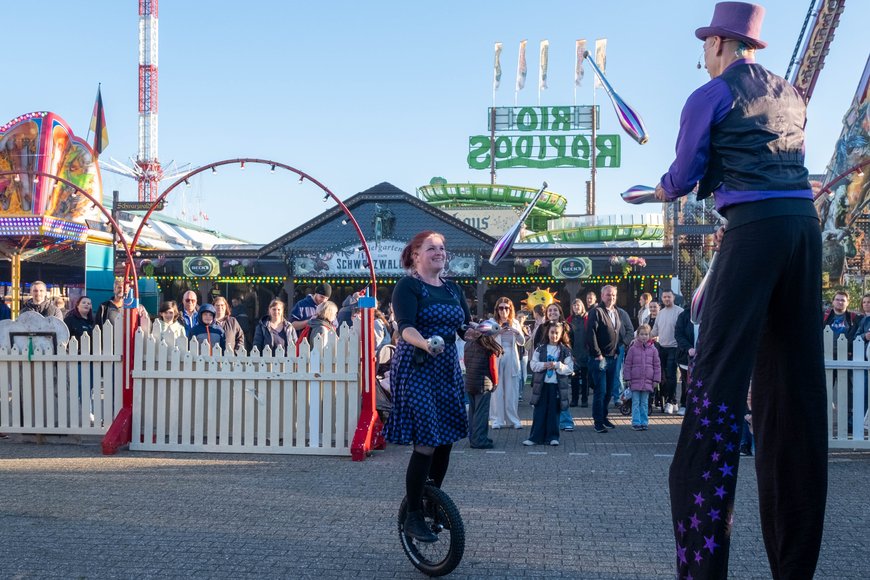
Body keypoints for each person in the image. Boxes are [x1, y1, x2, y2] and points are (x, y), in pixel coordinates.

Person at [654, 3, 827, 577]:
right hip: (804, 234)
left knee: (716, 389)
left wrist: (656, 192)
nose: (702, 53)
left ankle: (703, 565)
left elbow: (684, 176)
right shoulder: (795, 92)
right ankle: (795, 567)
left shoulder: (710, 95)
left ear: (723, 43)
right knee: (795, 398)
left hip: (752, 233)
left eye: (706, 42)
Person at [382, 231, 476, 543]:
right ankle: (413, 515)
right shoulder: (408, 286)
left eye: (442, 248)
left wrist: (479, 331)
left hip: (447, 366)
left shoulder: (453, 288)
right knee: (426, 441)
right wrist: (423, 342)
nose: (439, 252)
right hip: (417, 365)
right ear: (415, 255)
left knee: (446, 438)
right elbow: (404, 327)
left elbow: (463, 327)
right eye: (431, 247)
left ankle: (431, 500)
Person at [524, 322, 573, 446]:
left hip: (556, 386)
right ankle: (535, 437)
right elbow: (533, 365)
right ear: (548, 333)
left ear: (561, 334)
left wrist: (557, 365)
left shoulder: (565, 351)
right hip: (542, 385)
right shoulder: (540, 348)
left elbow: (570, 369)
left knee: (553, 412)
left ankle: (553, 436)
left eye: (557, 333)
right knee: (539, 411)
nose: (554, 335)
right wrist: (544, 365)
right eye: (552, 332)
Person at [586, 285, 622, 434]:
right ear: (602, 296)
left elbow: (618, 332)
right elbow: (590, 334)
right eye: (608, 295)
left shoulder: (616, 312)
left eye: (613, 295)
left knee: (608, 391)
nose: (611, 297)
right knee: (600, 391)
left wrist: (617, 350)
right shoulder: (596, 312)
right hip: (599, 358)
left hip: (612, 357)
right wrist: (597, 354)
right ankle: (598, 422)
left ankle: (604, 417)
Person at [488, 297, 525, 430]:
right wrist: (498, 332)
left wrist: (517, 332)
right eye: (501, 308)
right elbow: (486, 340)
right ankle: (497, 419)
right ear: (497, 310)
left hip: (511, 355)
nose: (504, 311)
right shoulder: (492, 322)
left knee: (511, 389)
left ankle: (513, 419)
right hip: (497, 355)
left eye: (506, 308)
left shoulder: (515, 322)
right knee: (497, 389)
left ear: (510, 310)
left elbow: (522, 342)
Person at [464, 332, 503, 449]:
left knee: (472, 412)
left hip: (470, 382)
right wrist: (495, 382)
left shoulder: (468, 345)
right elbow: (493, 368)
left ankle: (472, 438)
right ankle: (480, 440)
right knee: (481, 413)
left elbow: (466, 363)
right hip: (484, 384)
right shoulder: (488, 348)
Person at [623, 324, 661, 431]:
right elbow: (628, 364)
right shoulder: (632, 349)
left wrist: (656, 379)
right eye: (642, 334)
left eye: (646, 334)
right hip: (635, 381)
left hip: (648, 381)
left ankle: (644, 422)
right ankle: (636, 422)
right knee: (635, 402)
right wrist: (628, 378)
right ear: (637, 335)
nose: (644, 336)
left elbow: (657, 366)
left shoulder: (653, 350)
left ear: (650, 335)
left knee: (644, 403)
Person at [652, 290, 684, 414]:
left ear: (673, 297)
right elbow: (655, 331)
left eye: (668, 297)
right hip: (662, 347)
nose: (666, 299)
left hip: (674, 348)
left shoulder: (679, 312)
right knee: (663, 376)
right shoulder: (660, 314)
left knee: (671, 375)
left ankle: (672, 401)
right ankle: (669, 400)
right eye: (664, 297)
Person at [674, 306, 697, 415]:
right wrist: (688, 348)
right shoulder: (684, 315)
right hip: (686, 355)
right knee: (685, 381)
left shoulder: (709, 312)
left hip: (704, 355)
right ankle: (684, 404)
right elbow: (679, 334)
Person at [566, 299, 589, 407]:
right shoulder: (569, 320)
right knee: (574, 379)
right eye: (574, 305)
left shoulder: (587, 318)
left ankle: (584, 399)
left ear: (582, 306)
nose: (576, 307)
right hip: (574, 352)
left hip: (585, 352)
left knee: (585, 379)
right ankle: (574, 399)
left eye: (578, 305)